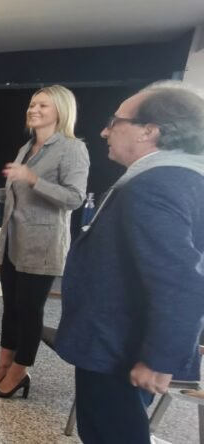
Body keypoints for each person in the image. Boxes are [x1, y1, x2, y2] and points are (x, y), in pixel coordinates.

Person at [55, 82, 204, 443]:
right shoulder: (182, 178)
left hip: (118, 346)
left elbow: (181, 279)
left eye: (116, 121)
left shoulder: (155, 185)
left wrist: (158, 358)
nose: (106, 131)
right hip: (124, 341)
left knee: (112, 433)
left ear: (149, 131)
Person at [0, 85, 90, 398]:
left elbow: (75, 198)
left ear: (61, 111)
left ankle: (19, 372)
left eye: (43, 106)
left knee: (29, 310)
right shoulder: (27, 147)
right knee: (10, 307)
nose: (34, 110)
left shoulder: (71, 148)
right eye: (32, 104)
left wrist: (34, 179)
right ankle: (2, 366)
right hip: (12, 242)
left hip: (43, 246)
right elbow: (18, 194)